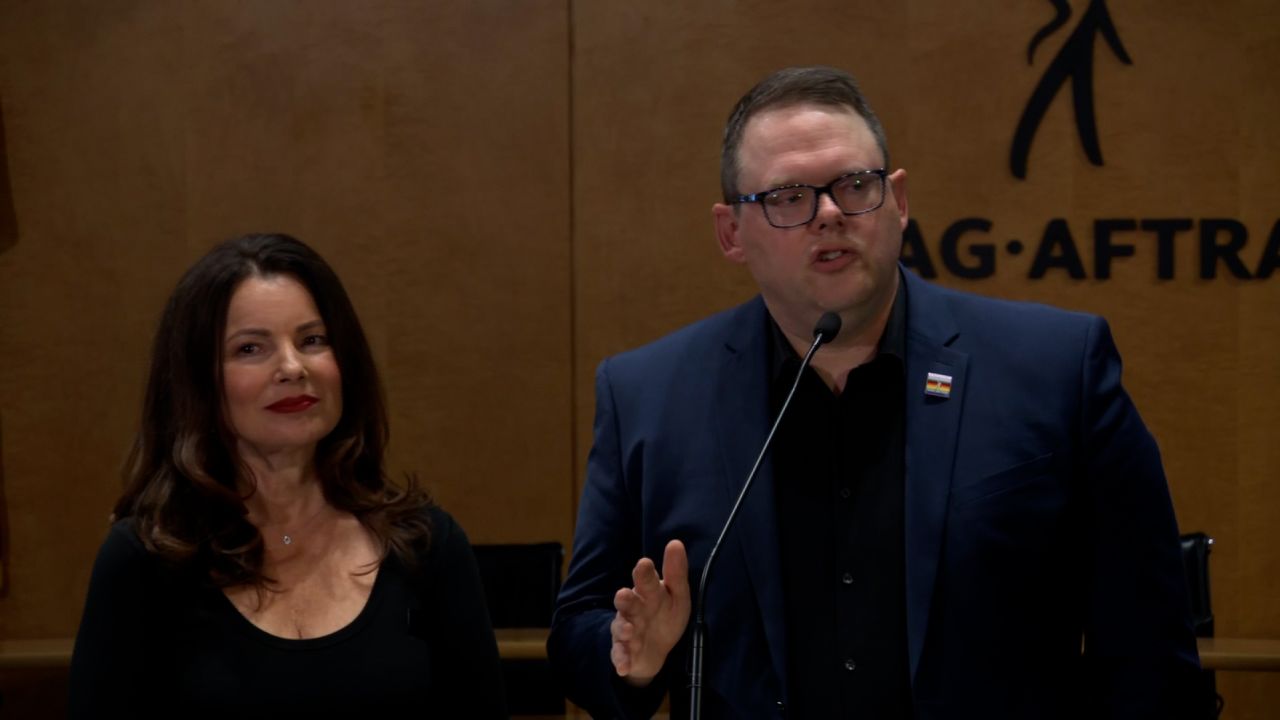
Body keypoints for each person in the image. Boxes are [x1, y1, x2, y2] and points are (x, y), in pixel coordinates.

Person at [548, 67, 1201, 719]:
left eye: (854, 185)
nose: (829, 214)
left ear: (899, 201)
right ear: (731, 233)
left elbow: (1147, 646)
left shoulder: (1057, 369)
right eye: (788, 196)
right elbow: (581, 627)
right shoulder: (649, 397)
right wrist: (632, 655)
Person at [69, 233, 506, 717]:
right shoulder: (145, 560)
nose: (293, 367)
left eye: (313, 340)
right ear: (198, 380)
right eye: (251, 348)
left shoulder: (426, 545)